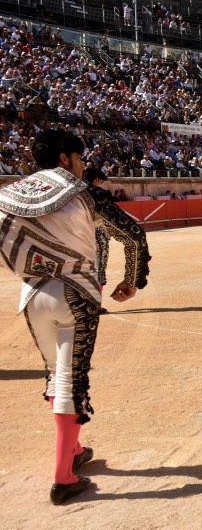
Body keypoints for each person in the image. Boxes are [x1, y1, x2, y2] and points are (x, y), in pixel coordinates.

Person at [0, 128, 150, 505]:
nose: (82, 165)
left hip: (32, 296)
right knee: (71, 379)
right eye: (79, 158)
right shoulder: (84, 193)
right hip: (76, 295)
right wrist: (132, 280)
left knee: (56, 375)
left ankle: (74, 450)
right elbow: (133, 235)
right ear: (65, 158)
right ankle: (63, 477)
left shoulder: (9, 195)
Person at [83, 168, 111, 315]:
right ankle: (95, 303)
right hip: (98, 234)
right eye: (100, 181)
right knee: (99, 269)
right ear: (96, 180)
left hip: (81, 236)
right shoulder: (100, 194)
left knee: (82, 269)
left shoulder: (76, 194)